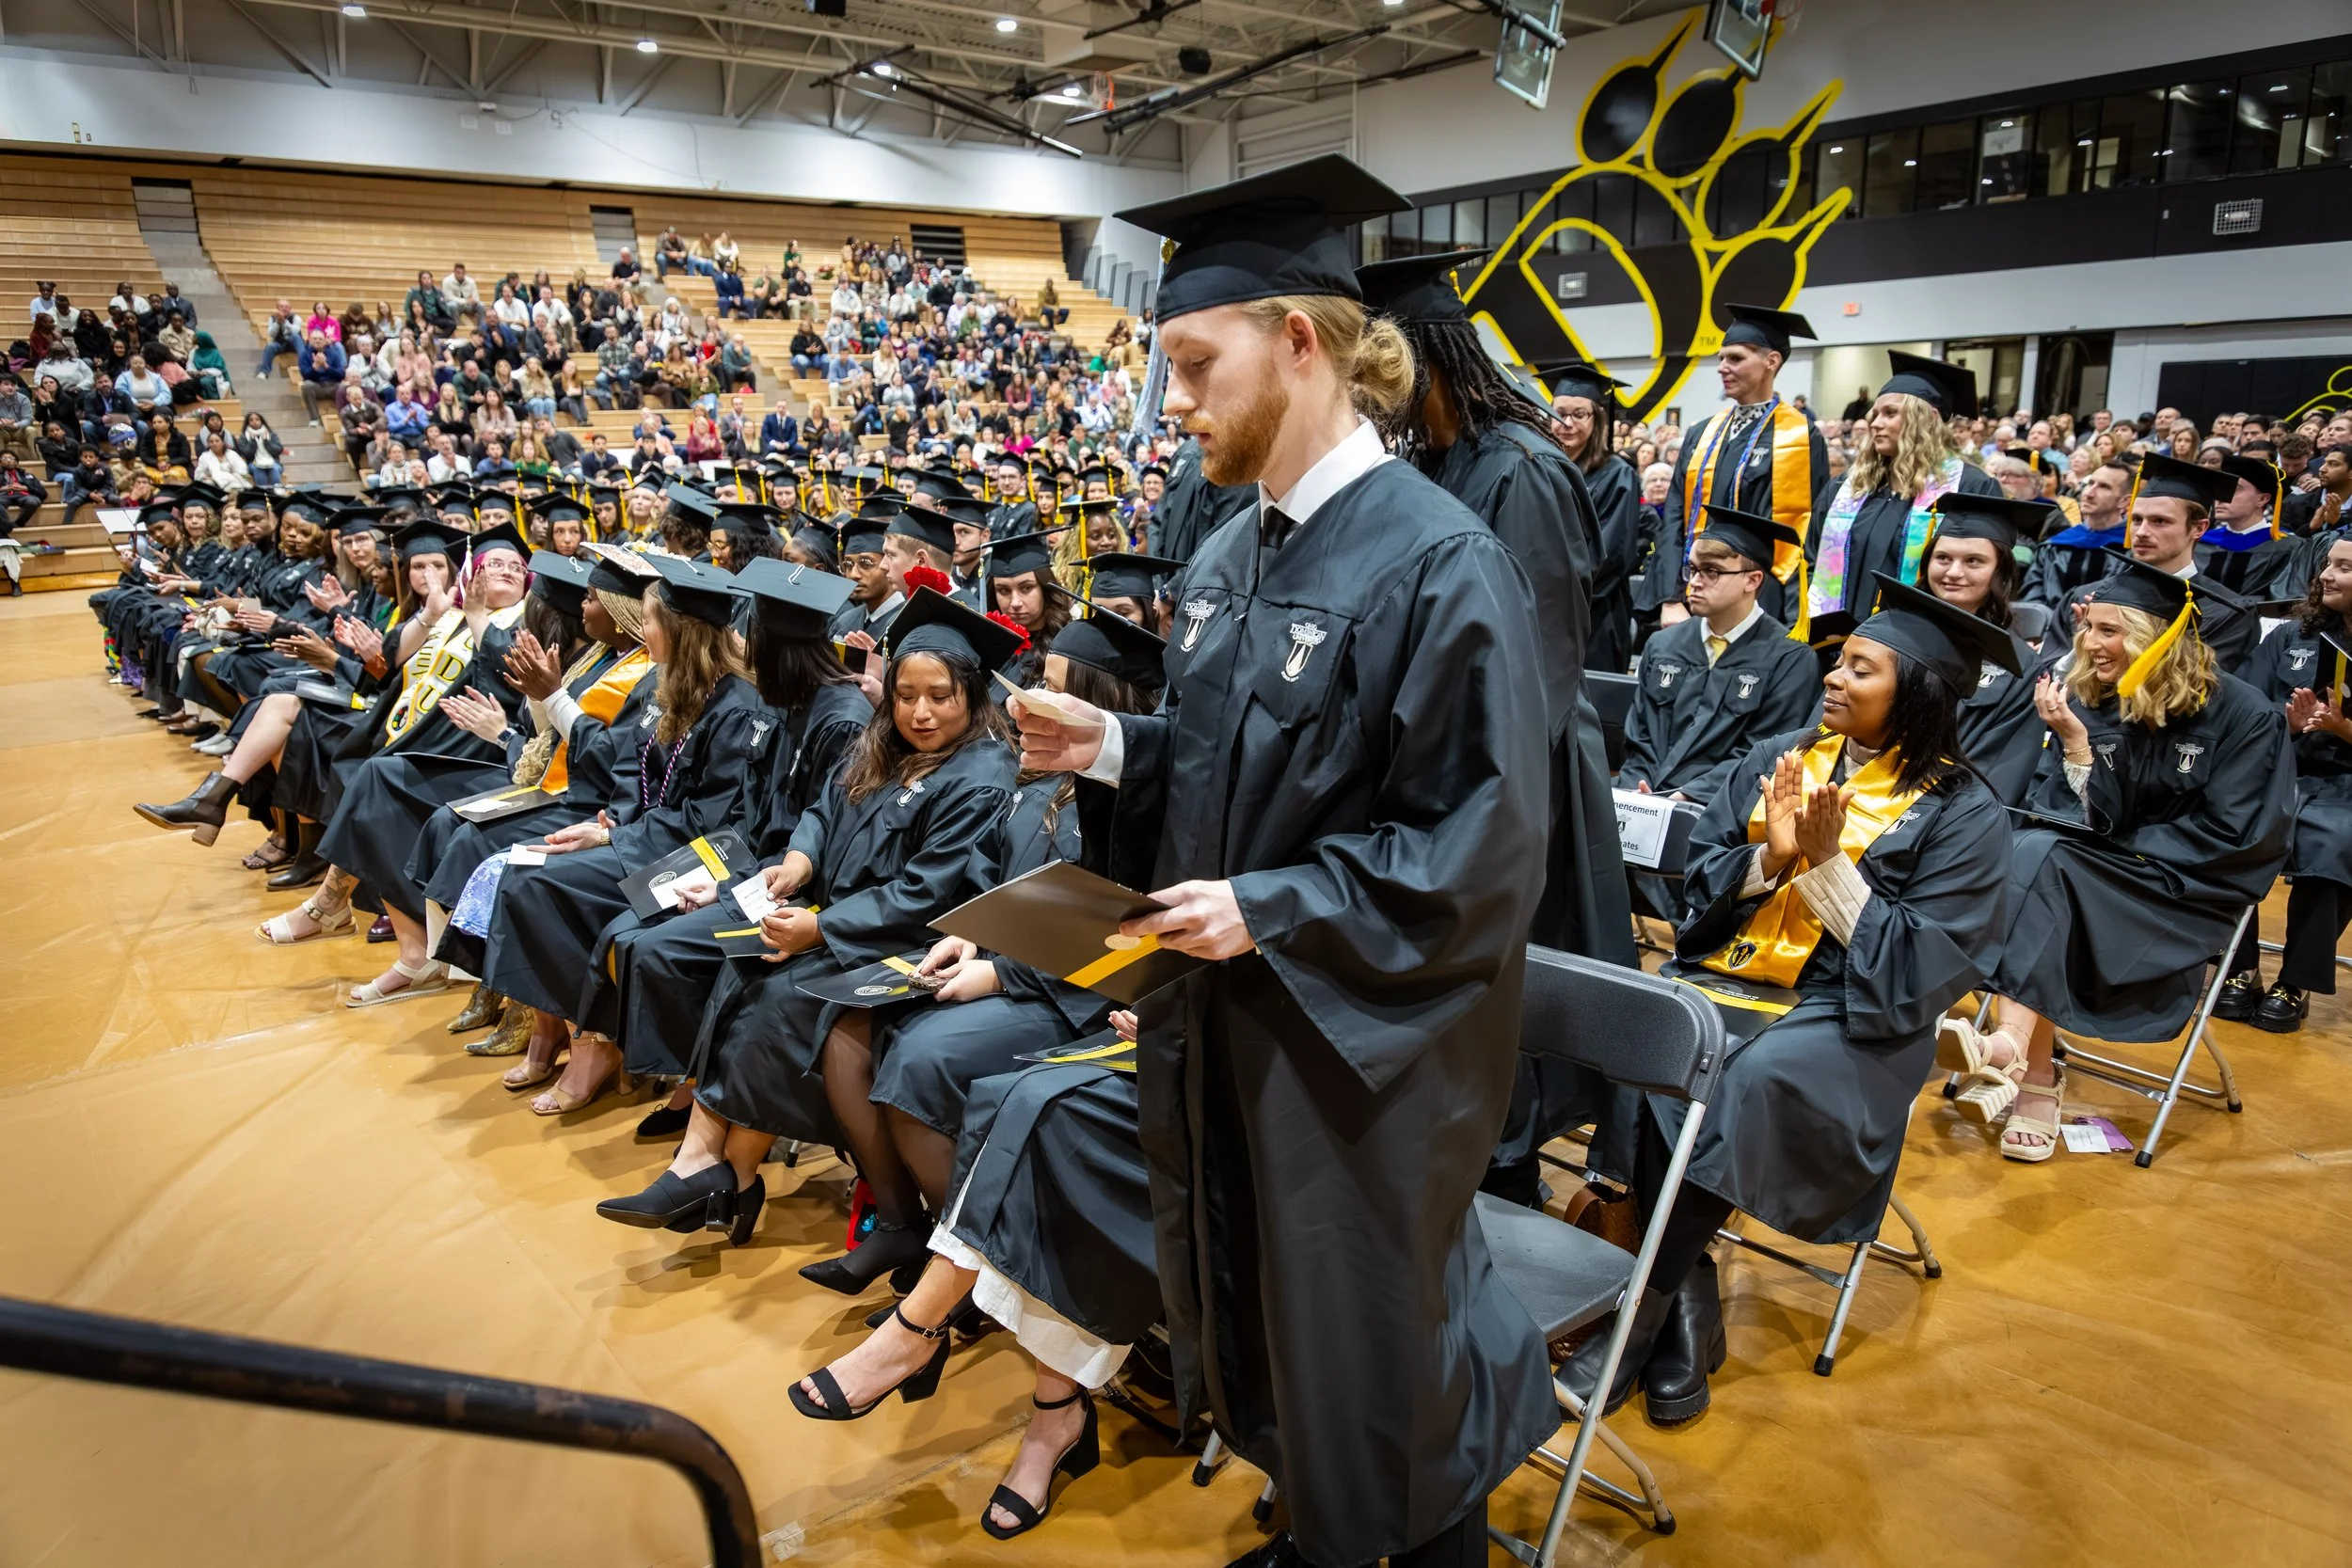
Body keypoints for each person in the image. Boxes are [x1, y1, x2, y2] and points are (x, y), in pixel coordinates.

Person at [1018, 155, 1556, 1568]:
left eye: (1195, 364)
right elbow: (1228, 771)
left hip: (1366, 1044)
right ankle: (1327, 1524)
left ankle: (1420, 1547)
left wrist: (1272, 906)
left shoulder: (1442, 562)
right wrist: (1117, 753)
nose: (1173, 401)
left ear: (1299, 343)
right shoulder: (1227, 553)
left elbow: (1483, 842)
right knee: (1259, 1304)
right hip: (1236, 1016)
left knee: (1372, 1330)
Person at [1574, 575, 2017, 1423]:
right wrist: (1772, 861)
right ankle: (1688, 1300)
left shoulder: (1966, 813)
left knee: (1746, 1076)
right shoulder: (1779, 756)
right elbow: (1698, 881)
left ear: (1917, 695)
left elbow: (1930, 964)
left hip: (1848, 1009)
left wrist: (1828, 868)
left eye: (1860, 669)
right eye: (1837, 662)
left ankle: (1636, 1322)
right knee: (1642, 1026)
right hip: (1729, 970)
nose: (1834, 678)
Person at [600, 589, 1019, 1241]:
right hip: (845, 918)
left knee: (786, 993)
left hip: (910, 940)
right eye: (906, 694)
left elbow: (927, 892)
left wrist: (820, 926)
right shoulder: (884, 741)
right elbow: (827, 805)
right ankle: (711, 1164)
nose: (920, 711)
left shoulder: (983, 774)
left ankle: (721, 1171)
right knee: (745, 965)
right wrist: (799, 856)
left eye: (940, 695)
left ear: (971, 691)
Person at [1953, 556, 2294, 1161]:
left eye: (2109, 631)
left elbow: (2243, 834)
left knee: (2043, 862)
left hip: (2179, 890)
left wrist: (2117, 841)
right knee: (2035, 854)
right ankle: (2027, 1069)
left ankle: (2015, 1053)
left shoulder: (2245, 715)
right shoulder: (2090, 699)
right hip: (2082, 873)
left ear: (2159, 637)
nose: (2090, 643)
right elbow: (2050, 804)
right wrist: (2077, 744)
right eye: (2088, 628)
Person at [1358, 250, 1629, 974]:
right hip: (1445, 768)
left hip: (1516, 780)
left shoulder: (1524, 471)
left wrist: (1476, 808)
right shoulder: (1430, 462)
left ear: (1419, 360)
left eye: (1376, 371)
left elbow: (1541, 664)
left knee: (1529, 992)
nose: (1367, 395)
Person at [476, 555, 774, 1113]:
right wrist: (603, 830)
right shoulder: (674, 689)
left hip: (698, 855)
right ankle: (579, 1034)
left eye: (653, 619)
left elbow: (708, 821)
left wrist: (617, 840)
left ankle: (595, 1044)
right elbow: (643, 784)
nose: (644, 628)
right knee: (524, 873)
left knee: (543, 888)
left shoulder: (736, 706)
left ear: (681, 632)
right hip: (648, 837)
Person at [2217, 533, 2352, 1031]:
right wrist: (2287, 723)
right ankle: (2240, 967)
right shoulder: (2291, 636)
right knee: (2231, 824)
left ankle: (2295, 981)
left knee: (2335, 842)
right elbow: (2244, 709)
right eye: (2328, 564)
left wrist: (2341, 728)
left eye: (2344, 568)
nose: (2327, 575)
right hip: (2282, 768)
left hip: (2346, 786)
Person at [1618, 506, 1820, 804]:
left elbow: (1761, 753)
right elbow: (1640, 737)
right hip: (1642, 797)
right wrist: (1637, 792)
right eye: (1693, 569)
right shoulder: (1663, 645)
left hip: (1720, 811)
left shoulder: (1789, 660)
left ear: (1752, 580)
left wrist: (1687, 796)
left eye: (1712, 571)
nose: (1695, 581)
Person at [1659, 304, 1827, 627]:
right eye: (1721, 358)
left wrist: (1793, 612)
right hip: (1695, 595)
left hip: (1763, 600)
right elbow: (1674, 517)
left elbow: (1804, 532)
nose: (1722, 367)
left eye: (1735, 358)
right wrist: (1672, 597)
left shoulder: (1801, 436)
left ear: (1771, 361)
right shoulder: (1701, 433)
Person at [1806, 353, 2003, 628]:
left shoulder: (1970, 488)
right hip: (1833, 643)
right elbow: (1811, 560)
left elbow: (1981, 578)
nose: (1875, 423)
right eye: (1875, 414)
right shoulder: (1846, 488)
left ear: (1929, 419)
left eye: (1890, 413)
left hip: (1920, 647)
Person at [1915, 493, 2049, 803]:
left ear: (1999, 572)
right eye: (1943, 558)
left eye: (1973, 561)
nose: (1953, 572)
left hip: (1939, 814)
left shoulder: (2019, 666)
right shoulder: (1888, 632)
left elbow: (1998, 773)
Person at [1545, 359, 1643, 674]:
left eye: (1579, 414)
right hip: (1543, 615)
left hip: (1595, 617)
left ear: (1597, 419)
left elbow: (1611, 557)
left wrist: (1552, 596)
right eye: (1559, 413)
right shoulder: (1539, 468)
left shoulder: (1618, 476)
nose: (1567, 423)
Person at [2197, 451, 2308, 601]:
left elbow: (2288, 599)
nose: (2220, 498)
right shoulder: (2201, 542)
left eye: (2234, 490)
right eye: (2221, 489)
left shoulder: (2289, 547)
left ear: (2262, 499)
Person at [2021, 455, 2131, 607]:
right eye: (2090, 483)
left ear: (2124, 501)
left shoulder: (2130, 550)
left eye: (2104, 487)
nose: (2089, 493)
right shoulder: (2056, 544)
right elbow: (2033, 595)